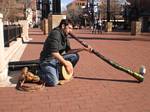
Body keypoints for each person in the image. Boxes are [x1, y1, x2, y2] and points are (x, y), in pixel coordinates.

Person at [39, 19, 92, 86]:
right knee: (53, 82)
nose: (71, 31)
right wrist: (66, 64)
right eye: (69, 28)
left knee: (74, 56)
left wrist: (83, 49)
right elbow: (54, 53)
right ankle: (38, 72)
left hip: (56, 59)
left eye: (71, 29)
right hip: (47, 60)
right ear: (63, 26)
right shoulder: (55, 34)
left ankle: (60, 72)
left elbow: (69, 51)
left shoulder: (65, 35)